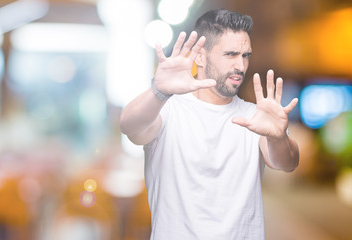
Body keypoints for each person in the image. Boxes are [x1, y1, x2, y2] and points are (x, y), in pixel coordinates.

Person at [120, 9, 299, 239]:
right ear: (201, 57)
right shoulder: (168, 110)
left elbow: (288, 163)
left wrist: (278, 136)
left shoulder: (254, 117)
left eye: (245, 55)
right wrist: (158, 91)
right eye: (231, 54)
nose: (241, 66)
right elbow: (129, 126)